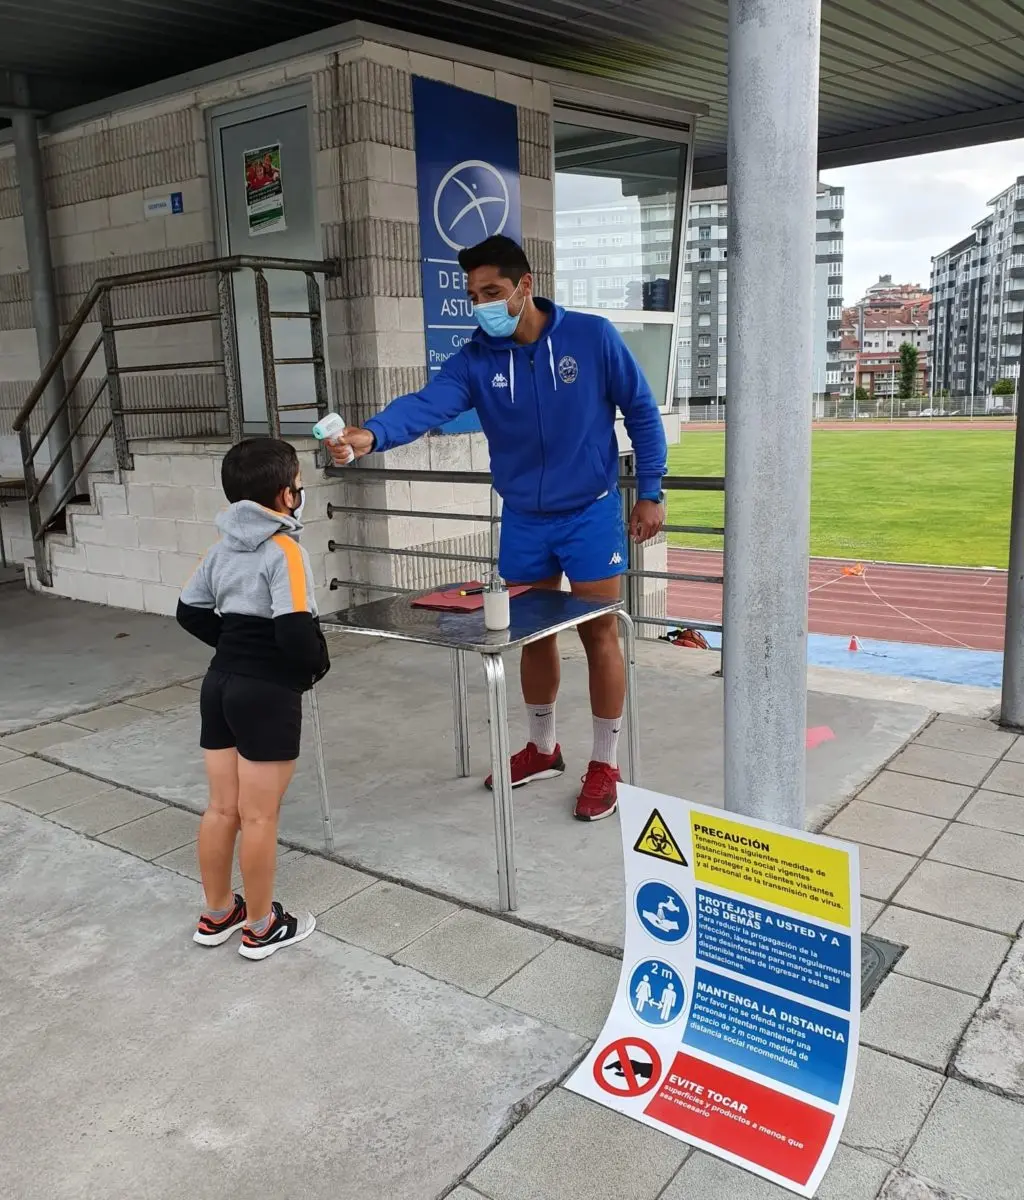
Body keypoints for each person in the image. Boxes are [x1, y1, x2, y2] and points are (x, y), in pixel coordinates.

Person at [328, 235, 667, 821]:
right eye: (473, 294)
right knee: (531, 635)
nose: (481, 304)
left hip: (590, 512)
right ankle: (542, 748)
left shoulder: (591, 338)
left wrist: (652, 491)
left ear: (525, 286)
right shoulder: (476, 359)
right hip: (524, 520)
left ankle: (605, 762)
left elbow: (640, 409)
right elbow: (427, 404)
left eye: (492, 292)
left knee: (598, 635)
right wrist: (369, 435)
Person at [177, 438, 330, 960]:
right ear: (288, 496)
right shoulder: (284, 550)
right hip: (265, 692)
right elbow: (293, 633)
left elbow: (190, 612)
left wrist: (236, 645)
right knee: (260, 816)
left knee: (223, 808)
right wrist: (314, 665)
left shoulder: (219, 548)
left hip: (218, 686)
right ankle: (263, 927)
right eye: (300, 487)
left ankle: (219, 913)